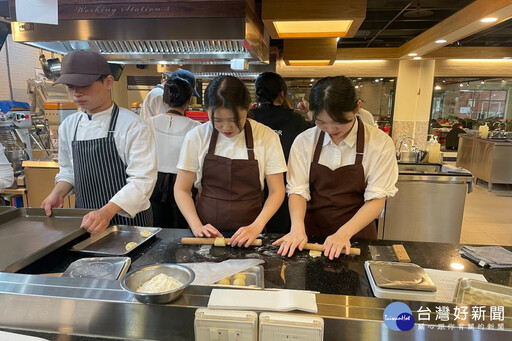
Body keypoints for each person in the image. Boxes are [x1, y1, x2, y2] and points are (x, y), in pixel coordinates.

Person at [274, 76, 398, 259]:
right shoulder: (304, 141)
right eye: (321, 122)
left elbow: (377, 198)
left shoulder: (379, 143)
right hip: (311, 236)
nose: (331, 129)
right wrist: (297, 228)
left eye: (339, 121)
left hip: (357, 237)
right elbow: (298, 191)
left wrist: (344, 233)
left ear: (356, 107)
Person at [41, 50, 157, 235]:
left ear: (108, 82)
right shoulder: (68, 126)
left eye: (84, 85)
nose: (77, 93)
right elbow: (69, 170)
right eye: (70, 86)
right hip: (87, 222)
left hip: (130, 224)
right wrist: (58, 192)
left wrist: (107, 212)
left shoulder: (133, 126)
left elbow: (142, 181)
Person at [174, 75, 287, 247]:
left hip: (251, 235)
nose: (226, 128)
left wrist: (257, 226)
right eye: (217, 121)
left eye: (235, 120)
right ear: (207, 110)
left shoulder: (266, 136)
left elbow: (277, 190)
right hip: (207, 235)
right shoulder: (196, 136)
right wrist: (197, 226)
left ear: (248, 108)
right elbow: (181, 189)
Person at [250, 72, 311, 233]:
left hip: (254, 191)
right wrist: (309, 113)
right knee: (282, 240)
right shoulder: (296, 120)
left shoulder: (250, 119)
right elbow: (316, 133)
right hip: (290, 190)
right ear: (282, 94)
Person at [148, 73, 200, 228]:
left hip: (153, 184)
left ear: (166, 98)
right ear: (190, 99)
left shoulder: (149, 123)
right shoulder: (195, 127)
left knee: (156, 229)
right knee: (182, 229)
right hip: (184, 184)